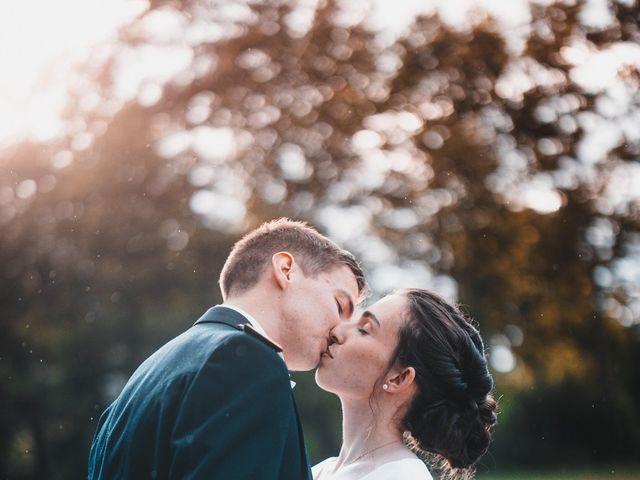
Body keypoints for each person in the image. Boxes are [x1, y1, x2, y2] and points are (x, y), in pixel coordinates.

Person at [88, 218, 366, 480]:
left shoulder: (145, 377)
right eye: (340, 306)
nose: (340, 330)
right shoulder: (248, 363)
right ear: (285, 270)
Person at [313, 288, 497, 480]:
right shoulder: (319, 471)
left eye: (363, 329)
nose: (337, 330)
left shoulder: (400, 476)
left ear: (398, 378)